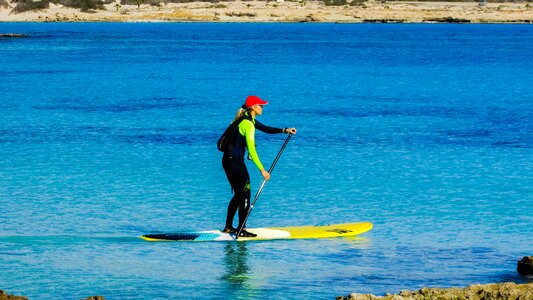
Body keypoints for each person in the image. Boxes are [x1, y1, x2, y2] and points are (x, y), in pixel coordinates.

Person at [222, 95, 297, 237]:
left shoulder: (246, 118)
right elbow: (252, 150)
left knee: (239, 193)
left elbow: (265, 128)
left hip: (228, 161)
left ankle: (228, 227)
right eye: (260, 105)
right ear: (253, 108)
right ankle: (241, 230)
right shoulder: (248, 124)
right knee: (245, 193)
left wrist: (285, 130)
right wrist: (262, 170)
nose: (262, 108)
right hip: (235, 163)